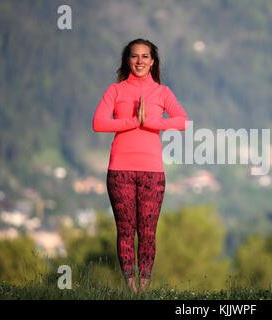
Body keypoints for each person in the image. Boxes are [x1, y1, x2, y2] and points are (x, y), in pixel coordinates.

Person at [92, 38, 189, 293]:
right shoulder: (115, 91)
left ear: (152, 61)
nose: (140, 61)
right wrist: (132, 121)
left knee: (147, 232)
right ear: (127, 60)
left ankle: (143, 290)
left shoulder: (162, 92)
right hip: (120, 171)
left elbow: (182, 121)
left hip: (153, 172)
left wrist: (149, 123)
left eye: (145, 57)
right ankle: (131, 289)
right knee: (125, 230)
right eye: (135, 56)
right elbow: (99, 123)